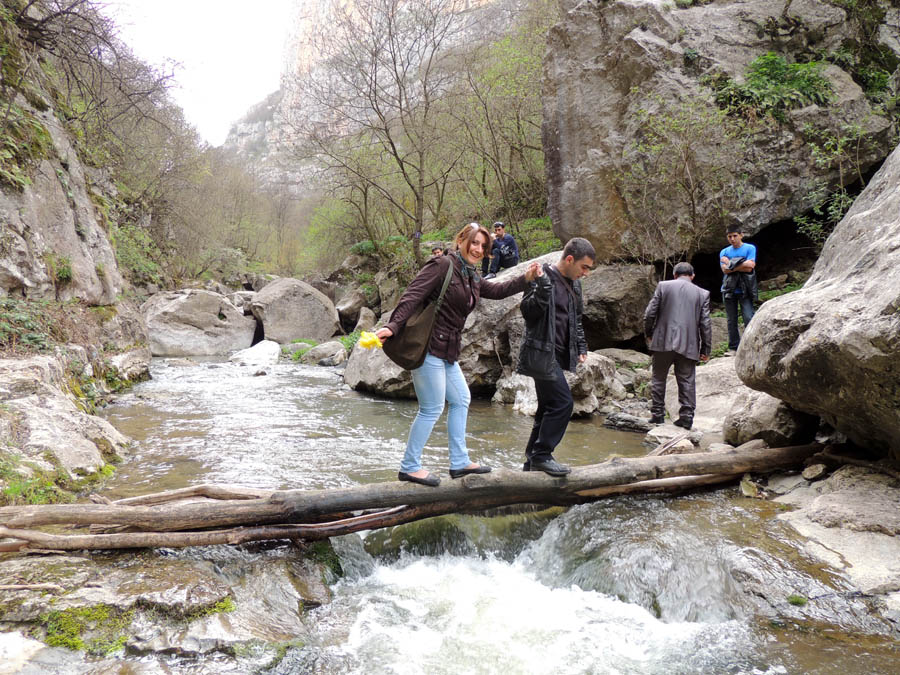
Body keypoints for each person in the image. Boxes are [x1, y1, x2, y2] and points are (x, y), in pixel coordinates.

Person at [376, 223, 541, 487]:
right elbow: (412, 295)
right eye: (474, 243)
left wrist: (526, 280)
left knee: (462, 399)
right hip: (428, 346)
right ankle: (409, 467)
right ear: (462, 240)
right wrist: (392, 326)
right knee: (431, 408)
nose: (478, 249)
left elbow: (496, 291)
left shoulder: (472, 275)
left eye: (483, 246)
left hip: (448, 351)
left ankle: (459, 462)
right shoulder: (442, 265)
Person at [516, 237, 595, 476]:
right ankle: (542, 455)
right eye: (584, 267)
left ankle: (531, 461)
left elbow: (576, 318)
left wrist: (581, 346)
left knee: (547, 407)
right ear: (569, 259)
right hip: (541, 353)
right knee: (563, 404)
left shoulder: (575, 285)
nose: (586, 273)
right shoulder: (542, 276)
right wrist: (541, 287)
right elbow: (527, 313)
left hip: (560, 353)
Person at [643, 262, 712, 430]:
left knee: (658, 378)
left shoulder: (663, 286)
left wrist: (649, 333)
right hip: (689, 344)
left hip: (663, 340)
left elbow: (649, 313)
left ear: (674, 275)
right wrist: (705, 349)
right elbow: (705, 324)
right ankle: (687, 417)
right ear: (692, 276)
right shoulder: (702, 293)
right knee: (687, 380)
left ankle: (657, 415)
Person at [719, 225, 757, 352]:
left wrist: (730, 263)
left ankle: (751, 344)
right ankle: (734, 347)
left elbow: (750, 266)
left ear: (741, 235)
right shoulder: (724, 251)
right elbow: (725, 270)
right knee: (731, 320)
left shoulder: (749, 248)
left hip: (745, 288)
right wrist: (740, 263)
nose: (732, 239)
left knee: (748, 316)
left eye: (735, 236)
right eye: (729, 236)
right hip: (729, 289)